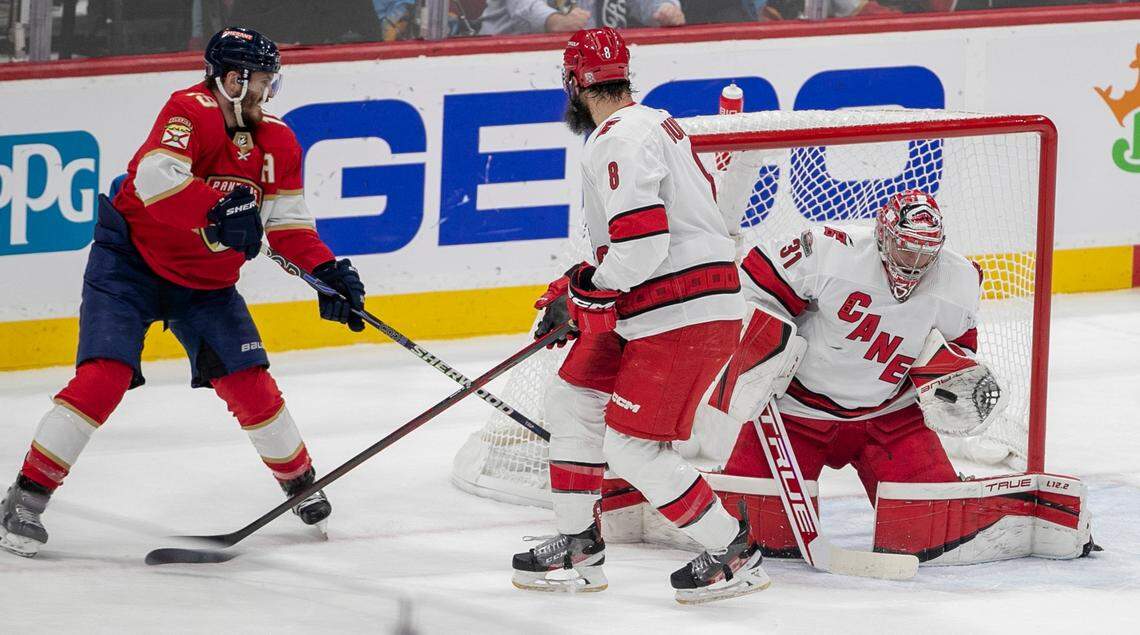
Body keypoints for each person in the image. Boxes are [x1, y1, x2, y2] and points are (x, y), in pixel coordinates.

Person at [0, 27, 367, 558]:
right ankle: (26, 497)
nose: (269, 90)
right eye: (262, 80)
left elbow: (288, 224)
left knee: (250, 382)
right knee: (105, 376)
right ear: (234, 81)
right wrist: (217, 214)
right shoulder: (188, 111)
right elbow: (153, 179)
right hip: (131, 266)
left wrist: (325, 273)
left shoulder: (279, 141)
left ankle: (300, 482)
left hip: (205, 284)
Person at [510, 27, 768, 604]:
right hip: (655, 307)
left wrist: (585, 293)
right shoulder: (655, 124)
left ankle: (734, 550)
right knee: (573, 400)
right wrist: (580, 286)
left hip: (681, 313)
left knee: (632, 448)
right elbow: (646, 244)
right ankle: (579, 545)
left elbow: (643, 247)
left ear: (575, 83)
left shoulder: (618, 138)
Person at [714, 191, 977, 546]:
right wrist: (765, 346)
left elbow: (959, 349)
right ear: (884, 235)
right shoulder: (830, 251)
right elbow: (753, 284)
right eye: (906, 249)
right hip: (799, 413)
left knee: (932, 534)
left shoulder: (959, 281)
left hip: (892, 418)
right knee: (762, 534)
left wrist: (952, 384)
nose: (914, 263)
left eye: (925, 254)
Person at [479, 0, 683, 36]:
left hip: (583, 62)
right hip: (510, 61)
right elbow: (524, 8)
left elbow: (648, 5)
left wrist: (666, 10)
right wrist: (555, 21)